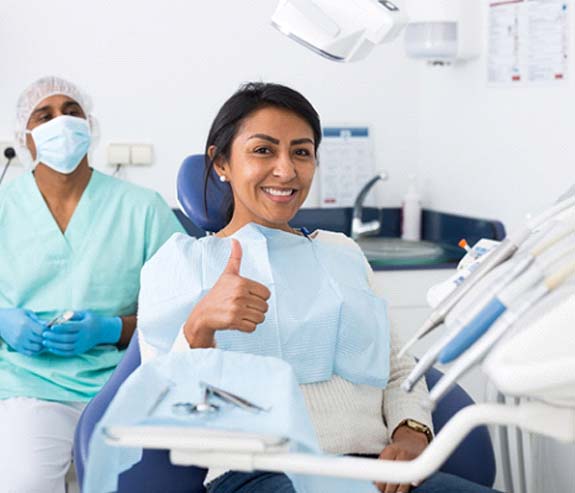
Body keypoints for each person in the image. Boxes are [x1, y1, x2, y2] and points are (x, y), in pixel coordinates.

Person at [137, 82, 501, 493]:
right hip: (260, 474)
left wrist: (411, 433)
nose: (286, 170)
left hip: (377, 473)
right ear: (221, 163)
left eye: (301, 152)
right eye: (263, 150)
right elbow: (161, 409)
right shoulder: (180, 265)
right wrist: (199, 328)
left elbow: (398, 366)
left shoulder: (342, 252)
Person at [0, 76, 184, 492]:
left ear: (90, 126)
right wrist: (2, 321)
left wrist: (112, 329)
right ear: (24, 137)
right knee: (23, 480)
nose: (60, 123)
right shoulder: (5, 209)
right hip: (28, 384)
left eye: (71, 112)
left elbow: (186, 311)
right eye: (43, 116)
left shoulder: (142, 209)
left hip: (123, 381)